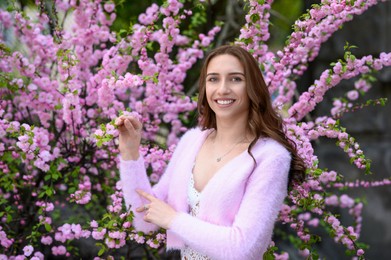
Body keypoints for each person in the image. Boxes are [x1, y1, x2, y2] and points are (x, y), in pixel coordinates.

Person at [116, 45, 305, 259]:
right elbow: (144, 221)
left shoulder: (270, 157)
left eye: (235, 79)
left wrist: (173, 220)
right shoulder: (192, 141)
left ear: (253, 87)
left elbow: (243, 248)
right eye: (213, 79)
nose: (222, 89)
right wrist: (130, 154)